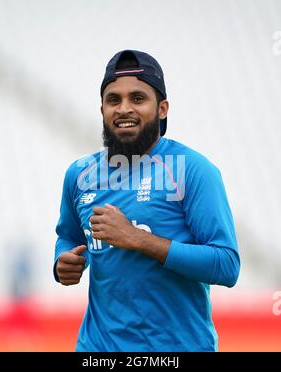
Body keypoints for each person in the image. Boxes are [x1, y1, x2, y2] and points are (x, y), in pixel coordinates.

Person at [54, 50, 240, 352]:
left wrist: (136, 239)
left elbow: (227, 265)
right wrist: (64, 262)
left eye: (138, 99)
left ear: (162, 108)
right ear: (101, 108)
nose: (124, 109)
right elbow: (68, 237)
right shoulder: (79, 174)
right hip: (97, 349)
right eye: (113, 100)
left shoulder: (192, 170)